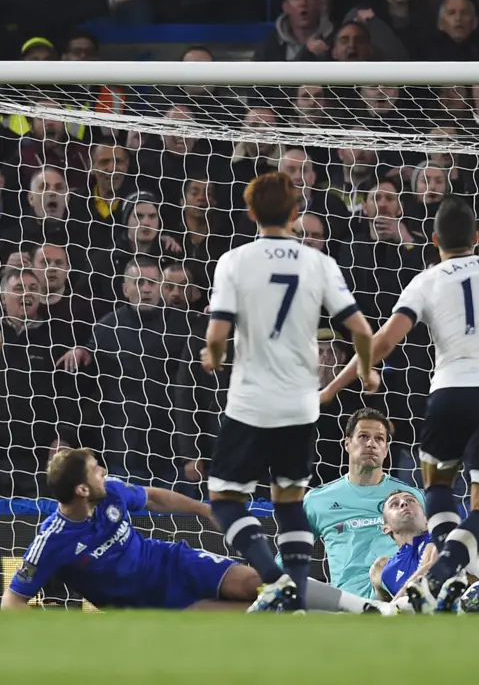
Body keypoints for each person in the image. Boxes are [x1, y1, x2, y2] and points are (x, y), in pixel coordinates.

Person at [321, 194, 479, 611]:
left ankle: (445, 573)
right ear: (477, 236)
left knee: (437, 484)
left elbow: (383, 340)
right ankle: (442, 572)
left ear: (434, 238)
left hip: (447, 395)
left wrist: (332, 388)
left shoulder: (427, 279)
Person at [206, 171, 375, 612]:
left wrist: (215, 356)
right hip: (300, 405)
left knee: (225, 501)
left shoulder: (235, 260)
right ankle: (295, 597)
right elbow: (360, 328)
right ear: (296, 214)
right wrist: (368, 371)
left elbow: (218, 331)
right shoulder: (318, 263)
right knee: (290, 501)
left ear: (250, 213)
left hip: (250, 401)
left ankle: (275, 576)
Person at [1, 448, 259, 610]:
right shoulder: (52, 540)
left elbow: (152, 498)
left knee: (257, 584)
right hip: (151, 606)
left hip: (172, 562)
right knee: (253, 612)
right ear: (82, 490)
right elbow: (12, 600)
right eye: (94, 470)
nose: (103, 471)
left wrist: (204, 510)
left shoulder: (111, 490)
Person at [302, 408, 424, 598]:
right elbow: (290, 553)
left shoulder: (409, 498)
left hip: (400, 595)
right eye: (363, 436)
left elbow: (431, 545)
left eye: (379, 439)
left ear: (386, 449)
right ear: (347, 443)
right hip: (347, 604)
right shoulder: (318, 500)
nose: (371, 444)